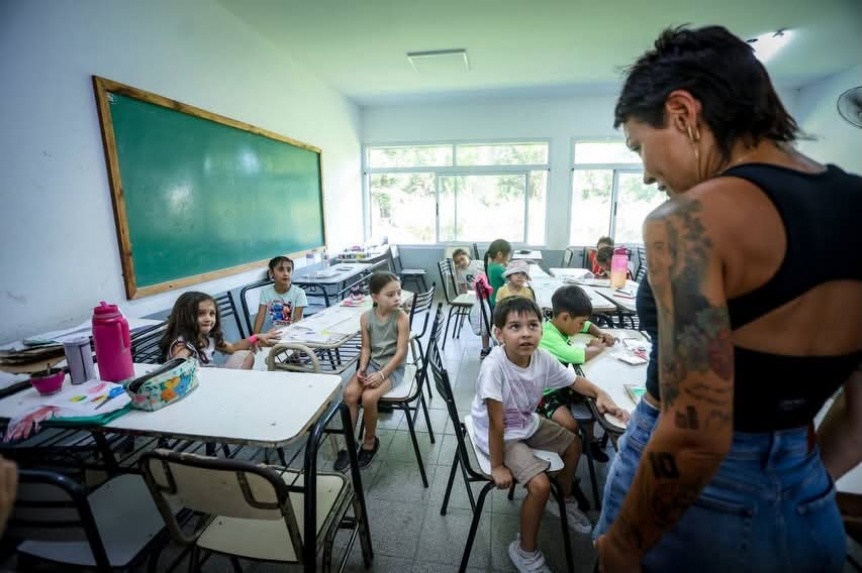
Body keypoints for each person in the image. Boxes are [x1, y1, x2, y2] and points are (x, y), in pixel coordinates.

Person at [594, 25, 862, 573]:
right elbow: (860, 419)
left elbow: (697, 430)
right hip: (807, 494)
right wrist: (792, 488)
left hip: (689, 498)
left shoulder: (691, 220)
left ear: (684, 113)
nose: (645, 173)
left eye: (641, 146)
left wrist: (624, 543)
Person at [470, 297, 629, 571]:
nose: (526, 333)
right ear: (499, 334)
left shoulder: (542, 359)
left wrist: (601, 394)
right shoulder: (493, 367)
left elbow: (574, 380)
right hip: (501, 434)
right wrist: (497, 466)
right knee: (540, 485)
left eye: (533, 325)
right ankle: (524, 550)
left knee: (573, 444)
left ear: (541, 330)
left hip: (525, 421)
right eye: (515, 327)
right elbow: (497, 424)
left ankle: (563, 500)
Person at [335, 272, 410, 471]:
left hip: (393, 369)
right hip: (372, 365)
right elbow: (366, 348)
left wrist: (382, 374)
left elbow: (401, 352)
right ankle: (348, 443)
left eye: (398, 293)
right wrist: (362, 367)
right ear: (375, 297)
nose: (396, 298)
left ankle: (370, 441)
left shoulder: (401, 317)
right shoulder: (366, 317)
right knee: (349, 394)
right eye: (390, 294)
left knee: (368, 398)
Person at [538, 285, 617, 463]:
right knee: (570, 424)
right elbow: (578, 356)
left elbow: (588, 326)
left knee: (590, 402)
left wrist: (601, 333)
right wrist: (599, 347)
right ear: (565, 317)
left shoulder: (562, 325)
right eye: (579, 323)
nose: (582, 326)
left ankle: (589, 443)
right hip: (543, 394)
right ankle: (567, 453)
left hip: (560, 383)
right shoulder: (548, 336)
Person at [161, 291, 278, 369]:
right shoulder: (182, 344)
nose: (208, 319)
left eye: (212, 314)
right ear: (184, 316)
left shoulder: (207, 337)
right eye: (201, 314)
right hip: (197, 384)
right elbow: (176, 369)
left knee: (246, 355)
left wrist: (255, 337)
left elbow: (233, 348)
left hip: (213, 375)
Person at [454, 248, 493, 358]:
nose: (460, 263)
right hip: (479, 297)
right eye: (457, 262)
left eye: (462, 259)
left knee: (489, 317)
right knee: (482, 318)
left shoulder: (478, 264)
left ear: (467, 256)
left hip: (490, 293)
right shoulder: (460, 271)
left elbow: (490, 274)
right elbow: (463, 288)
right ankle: (485, 348)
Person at [253, 256, 308, 333]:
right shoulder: (265, 292)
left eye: (289, 270)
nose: (286, 273)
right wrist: (255, 339)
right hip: (278, 333)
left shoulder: (299, 293)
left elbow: (297, 320)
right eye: (281, 270)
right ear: (271, 273)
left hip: (296, 333)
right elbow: (261, 315)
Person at [483, 238, 513, 306]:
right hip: (499, 301)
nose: (509, 256)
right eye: (508, 254)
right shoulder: (498, 269)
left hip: (493, 299)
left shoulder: (492, 265)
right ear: (499, 254)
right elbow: (511, 280)